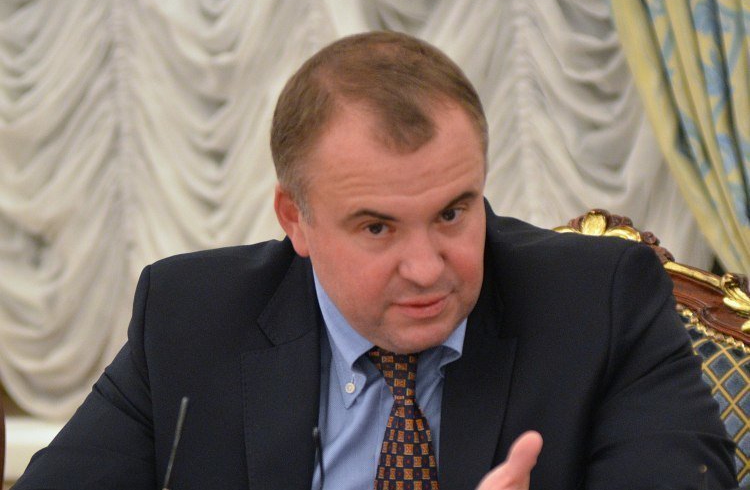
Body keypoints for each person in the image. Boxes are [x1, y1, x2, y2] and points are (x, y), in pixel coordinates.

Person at [13, 31, 736, 490]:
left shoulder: (598, 303)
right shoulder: (190, 318)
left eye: (452, 212)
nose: (426, 268)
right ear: (295, 219)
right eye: (377, 227)